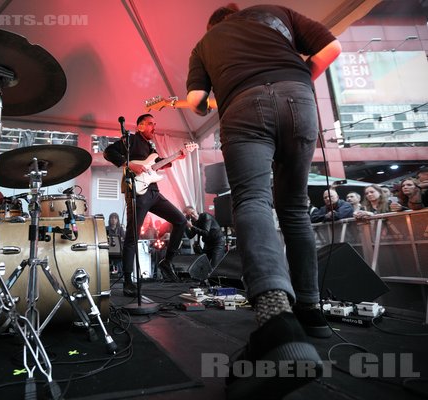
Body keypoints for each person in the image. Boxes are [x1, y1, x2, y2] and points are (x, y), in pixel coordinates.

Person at [186, 3, 341, 395]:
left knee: (254, 202)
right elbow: (331, 49)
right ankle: (311, 313)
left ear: (214, 25)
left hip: (244, 108)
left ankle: (277, 321)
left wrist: (210, 98)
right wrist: (298, 79)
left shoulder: (204, 44)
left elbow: (194, 101)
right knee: (295, 210)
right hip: (299, 99)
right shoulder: (277, 13)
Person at [103, 114, 188, 296]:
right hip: (137, 193)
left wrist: (175, 158)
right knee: (133, 236)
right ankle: (127, 281)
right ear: (140, 126)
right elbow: (108, 151)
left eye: (154, 124)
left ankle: (167, 261)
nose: (154, 127)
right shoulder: (131, 140)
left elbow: (156, 165)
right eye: (150, 124)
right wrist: (129, 165)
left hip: (153, 192)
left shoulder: (150, 147)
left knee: (180, 220)